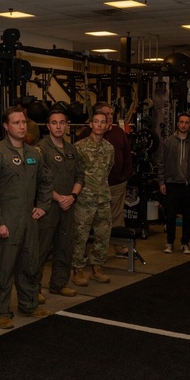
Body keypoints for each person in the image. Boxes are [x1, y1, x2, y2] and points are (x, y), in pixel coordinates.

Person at [0, 106, 54, 329]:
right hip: (7, 220)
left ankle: (29, 304)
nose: (22, 126)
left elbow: (46, 181)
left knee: (30, 263)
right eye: (16, 123)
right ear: (6, 126)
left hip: (29, 220)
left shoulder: (34, 153)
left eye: (23, 122)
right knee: (4, 269)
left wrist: (42, 206)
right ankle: (2, 311)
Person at [36, 107, 84, 298]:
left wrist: (72, 196)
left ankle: (59, 284)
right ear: (48, 126)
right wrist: (59, 198)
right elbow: (39, 181)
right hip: (48, 207)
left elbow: (80, 176)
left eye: (62, 122)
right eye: (54, 123)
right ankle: (35, 289)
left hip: (68, 205)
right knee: (41, 249)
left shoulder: (73, 149)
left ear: (67, 125)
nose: (58, 126)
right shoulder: (40, 149)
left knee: (65, 246)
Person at [81, 102, 133, 252]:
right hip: (92, 188)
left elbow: (127, 156)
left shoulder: (118, 132)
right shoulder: (85, 135)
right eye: (107, 114)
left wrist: (124, 176)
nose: (110, 117)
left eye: (111, 114)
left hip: (117, 184)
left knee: (116, 217)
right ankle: (85, 250)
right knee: (91, 218)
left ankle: (119, 245)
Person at [72, 110, 115, 286]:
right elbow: (75, 173)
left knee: (103, 235)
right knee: (80, 235)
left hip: (103, 198)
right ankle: (77, 269)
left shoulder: (109, 148)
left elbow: (109, 169)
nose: (99, 125)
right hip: (84, 199)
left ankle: (97, 267)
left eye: (102, 122)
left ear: (107, 126)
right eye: (95, 121)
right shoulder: (79, 147)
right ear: (91, 124)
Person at [156, 112, 190, 254]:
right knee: (170, 216)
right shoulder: (169, 142)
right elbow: (161, 163)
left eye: (186, 122)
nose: (183, 125)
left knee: (188, 216)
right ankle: (170, 242)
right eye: (181, 122)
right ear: (177, 123)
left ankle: (185, 244)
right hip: (172, 184)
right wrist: (161, 182)